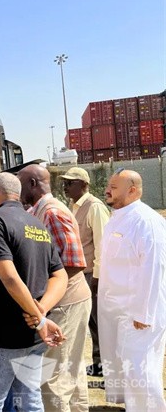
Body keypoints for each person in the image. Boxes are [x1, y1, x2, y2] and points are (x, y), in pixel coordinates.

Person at [0, 172, 68, 412]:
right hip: (32, 336)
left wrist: (39, 317)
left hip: (1, 336)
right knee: (30, 401)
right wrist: (40, 313)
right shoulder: (37, 224)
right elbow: (60, 276)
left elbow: (9, 276)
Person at [18, 164, 91, 412]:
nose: (17, 189)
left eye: (20, 183)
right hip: (64, 301)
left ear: (33, 184)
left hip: (65, 303)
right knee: (71, 369)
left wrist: (44, 302)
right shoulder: (40, 211)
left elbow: (73, 263)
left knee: (53, 380)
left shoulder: (52, 212)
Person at [99, 169, 166, 410]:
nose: (107, 190)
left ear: (132, 190)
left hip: (138, 313)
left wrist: (143, 312)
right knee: (127, 367)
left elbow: (154, 267)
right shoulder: (118, 217)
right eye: (109, 186)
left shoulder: (146, 220)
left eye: (114, 187)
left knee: (141, 369)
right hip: (118, 309)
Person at [60, 166, 110, 377]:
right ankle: (99, 364)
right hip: (81, 274)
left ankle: (107, 367)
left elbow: (103, 245)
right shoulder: (73, 207)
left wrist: (98, 277)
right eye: (65, 183)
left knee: (100, 322)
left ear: (84, 184)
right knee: (91, 321)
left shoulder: (94, 207)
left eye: (70, 183)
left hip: (93, 275)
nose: (65, 187)